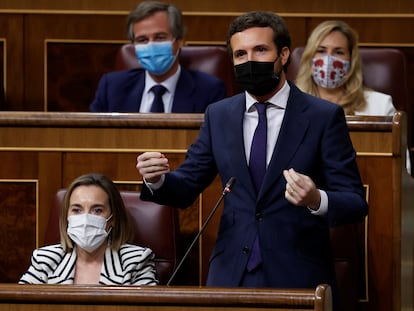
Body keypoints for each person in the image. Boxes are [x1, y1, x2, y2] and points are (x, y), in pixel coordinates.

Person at [135, 10, 367, 308]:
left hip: (297, 274)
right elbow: (187, 185)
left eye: (260, 50)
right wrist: (157, 180)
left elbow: (355, 202)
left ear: (283, 55)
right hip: (231, 272)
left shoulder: (322, 117)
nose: (250, 61)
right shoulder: (219, 115)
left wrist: (315, 199)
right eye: (240, 54)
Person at [19, 173, 158, 285]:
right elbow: (19, 305)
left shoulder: (135, 261)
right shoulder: (45, 260)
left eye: (97, 210)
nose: (85, 219)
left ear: (113, 219)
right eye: (77, 210)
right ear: (67, 217)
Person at [90, 1, 226, 113]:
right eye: (142, 40)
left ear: (179, 41)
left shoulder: (209, 90)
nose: (151, 45)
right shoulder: (112, 87)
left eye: (160, 37)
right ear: (134, 46)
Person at [295, 20, 396, 116]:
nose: (329, 59)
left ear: (351, 60)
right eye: (321, 51)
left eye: (338, 52)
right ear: (309, 57)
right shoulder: (290, 103)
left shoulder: (381, 106)